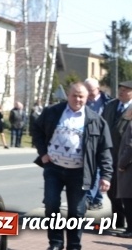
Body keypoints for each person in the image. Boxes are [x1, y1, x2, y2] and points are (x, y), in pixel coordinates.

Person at [31, 82, 113, 250]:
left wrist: (106, 175)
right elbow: (36, 130)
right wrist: (43, 153)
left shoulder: (95, 120)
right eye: (74, 95)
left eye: (81, 96)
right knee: (52, 205)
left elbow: (104, 150)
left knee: (76, 211)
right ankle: (55, 244)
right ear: (68, 95)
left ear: (87, 98)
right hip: (54, 168)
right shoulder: (52, 112)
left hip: (79, 172)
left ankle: (74, 246)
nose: (77, 99)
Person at [103, 80, 132, 231]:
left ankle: (129, 224)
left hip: (127, 158)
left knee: (127, 193)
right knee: (112, 191)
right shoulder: (110, 106)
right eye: (120, 88)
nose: (121, 92)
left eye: (126, 90)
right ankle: (118, 219)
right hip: (110, 155)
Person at [84, 77, 113, 211]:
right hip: (87, 140)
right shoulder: (83, 101)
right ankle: (91, 198)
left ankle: (96, 198)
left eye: (91, 91)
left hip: (103, 139)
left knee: (100, 170)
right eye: (86, 90)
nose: (88, 94)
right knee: (92, 170)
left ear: (98, 89)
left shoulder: (107, 102)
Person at [115, 105, 132, 238]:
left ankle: (130, 230)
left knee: (128, 200)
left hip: (129, 169)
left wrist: (121, 164)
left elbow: (130, 147)